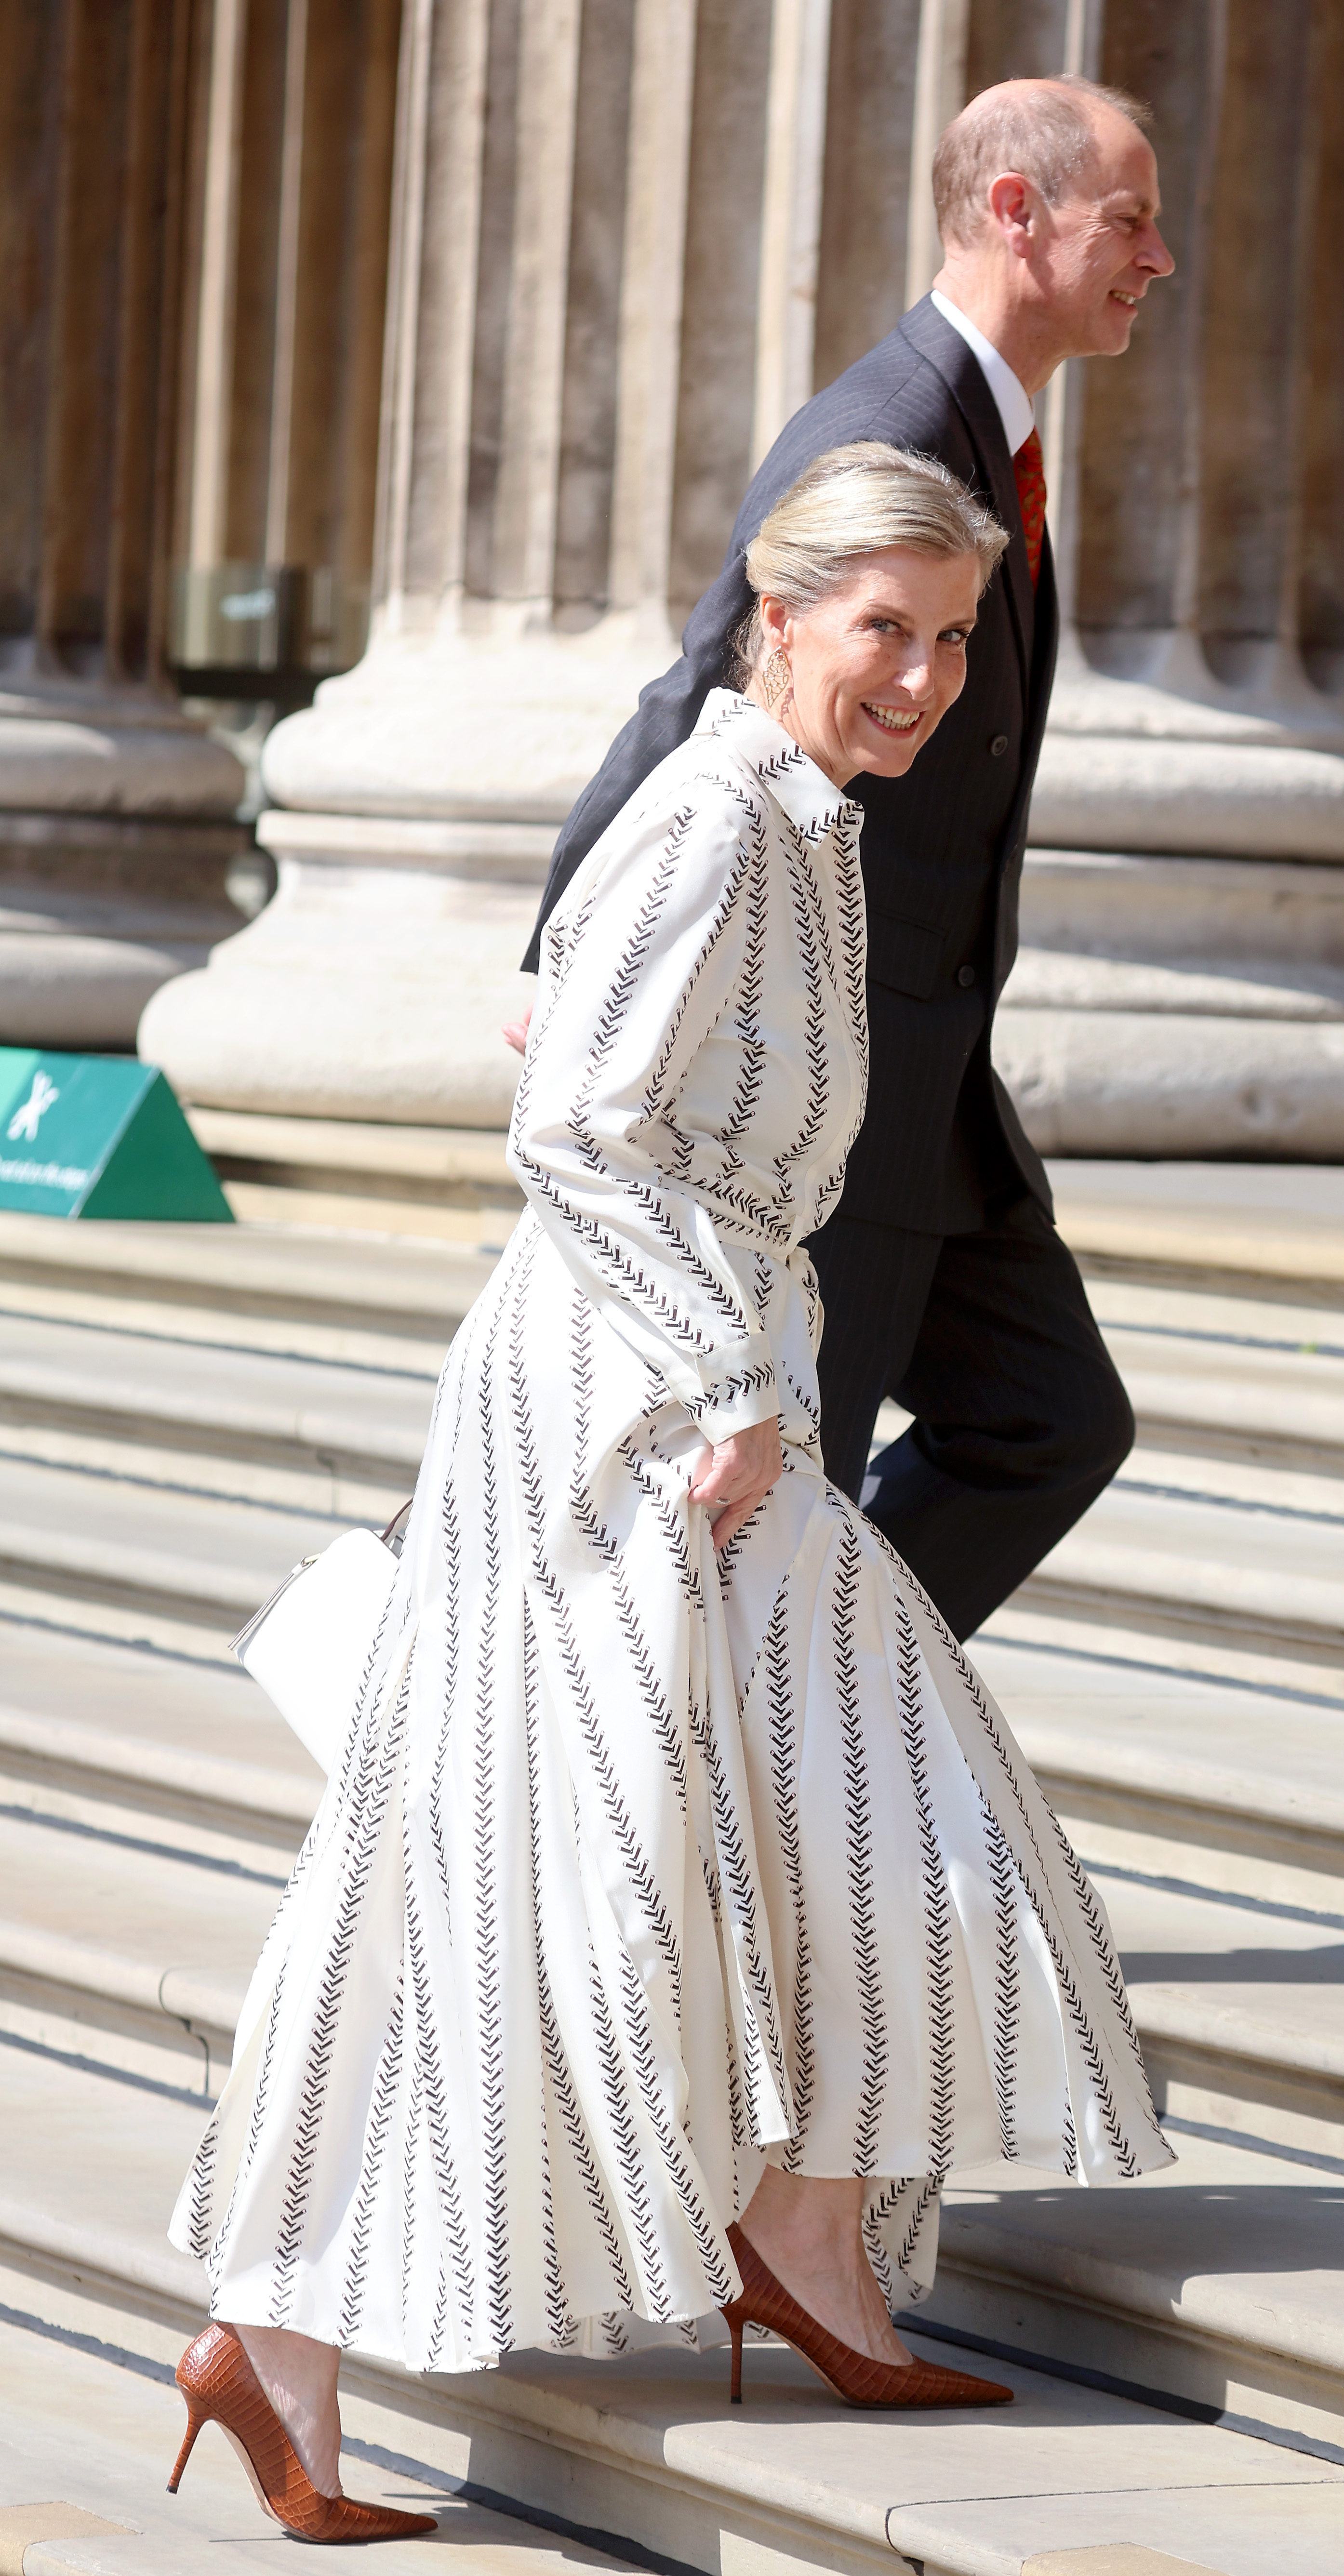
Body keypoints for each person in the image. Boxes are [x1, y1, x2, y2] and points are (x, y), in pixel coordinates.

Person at [164, 444, 1172, 2543]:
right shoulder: (713, 821)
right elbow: (579, 1132)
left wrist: (756, 1373)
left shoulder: (812, 824)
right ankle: (303, 2329)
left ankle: (756, 2245)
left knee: (750, 1822)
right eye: (881, 627)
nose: (918, 676)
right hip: (636, 1413)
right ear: (776, 612)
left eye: (952, 638)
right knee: (534, 1857)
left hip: (721, 1388)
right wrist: (722, 1385)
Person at [515, 76, 1175, 1646]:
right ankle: (780, 1760)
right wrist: (561, 945)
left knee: (1050, 1420)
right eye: (1134, 220)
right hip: (833, 1091)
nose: (1161, 258)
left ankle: (825, 1702)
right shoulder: (892, 425)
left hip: (931, 1092)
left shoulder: (984, 429)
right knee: (771, 1518)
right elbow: (705, 678)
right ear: (1019, 213)